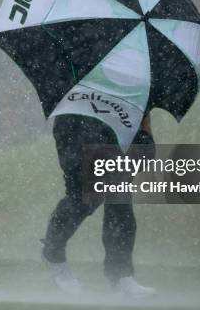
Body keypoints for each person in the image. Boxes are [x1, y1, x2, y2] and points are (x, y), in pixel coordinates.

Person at [40, 113, 156, 297]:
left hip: (119, 123)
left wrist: (145, 130)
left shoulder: (139, 85)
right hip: (75, 124)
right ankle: (53, 252)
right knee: (83, 198)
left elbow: (142, 104)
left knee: (119, 196)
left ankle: (120, 275)